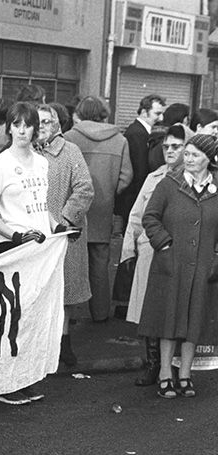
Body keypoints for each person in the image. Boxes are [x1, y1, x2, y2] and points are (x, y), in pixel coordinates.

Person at [0, 102, 54, 406]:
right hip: (14, 246)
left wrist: (58, 225)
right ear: (9, 128)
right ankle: (3, 382)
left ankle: (22, 378)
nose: (23, 130)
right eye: (17, 124)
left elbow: (41, 207)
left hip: (41, 248)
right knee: (10, 317)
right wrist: (15, 234)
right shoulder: (0, 164)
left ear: (35, 128)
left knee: (32, 316)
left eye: (28, 124)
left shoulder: (42, 163)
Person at [139, 132, 218, 399]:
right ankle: (164, 373)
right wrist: (164, 245)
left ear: (209, 158)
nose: (189, 159)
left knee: (194, 320)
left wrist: (216, 258)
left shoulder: (216, 188)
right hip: (171, 263)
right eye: (187, 154)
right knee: (168, 319)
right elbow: (150, 218)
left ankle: (185, 374)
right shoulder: (169, 184)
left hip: (204, 266)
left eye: (196, 154)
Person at [122, 124, 186, 386]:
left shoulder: (193, 178)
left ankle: (172, 365)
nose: (169, 151)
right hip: (149, 249)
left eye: (176, 146)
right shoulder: (153, 177)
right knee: (149, 310)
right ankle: (153, 365)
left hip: (178, 252)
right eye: (166, 146)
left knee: (173, 308)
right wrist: (128, 248)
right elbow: (136, 215)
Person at [64, 96, 132, 323]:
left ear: (80, 112)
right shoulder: (120, 140)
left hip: (74, 207)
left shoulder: (69, 138)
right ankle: (100, 313)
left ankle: (68, 315)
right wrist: (110, 192)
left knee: (70, 262)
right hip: (103, 208)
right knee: (100, 263)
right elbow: (126, 176)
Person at [37, 102, 95, 368]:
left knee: (65, 291)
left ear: (58, 124)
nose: (41, 127)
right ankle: (39, 342)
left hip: (64, 233)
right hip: (35, 235)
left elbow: (84, 188)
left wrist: (66, 219)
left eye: (47, 122)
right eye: (37, 122)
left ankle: (64, 339)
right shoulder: (24, 153)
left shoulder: (70, 151)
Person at [117, 94, 165, 224]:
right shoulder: (137, 134)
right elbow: (140, 170)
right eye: (157, 113)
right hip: (135, 197)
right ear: (144, 112)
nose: (161, 118)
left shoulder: (140, 132)